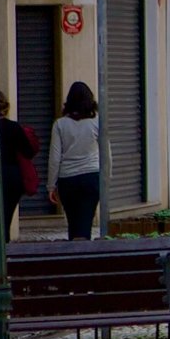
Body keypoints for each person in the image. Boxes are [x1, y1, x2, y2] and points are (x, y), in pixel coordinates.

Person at [49, 81, 108, 240]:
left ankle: (74, 253)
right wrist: (106, 180)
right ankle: (83, 255)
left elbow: (55, 158)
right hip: (91, 177)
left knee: (73, 223)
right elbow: (106, 154)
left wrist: (51, 185)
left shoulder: (60, 125)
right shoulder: (97, 122)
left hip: (67, 179)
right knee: (86, 222)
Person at [0, 93, 39, 240]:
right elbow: (28, 151)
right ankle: (4, 247)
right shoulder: (14, 127)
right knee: (6, 217)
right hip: (12, 175)